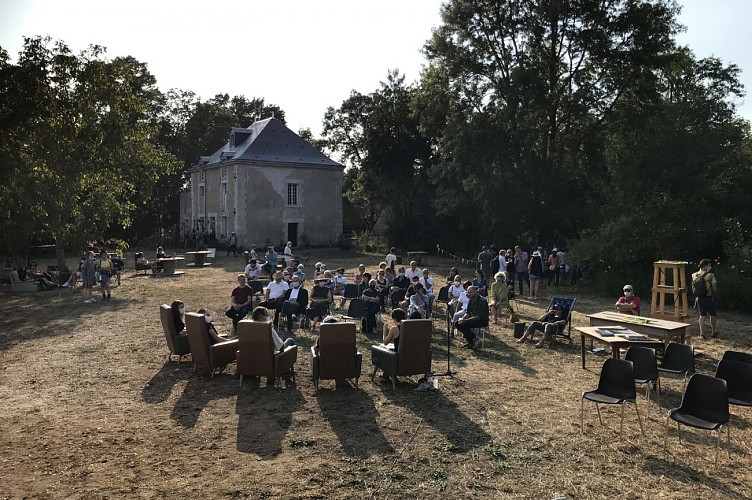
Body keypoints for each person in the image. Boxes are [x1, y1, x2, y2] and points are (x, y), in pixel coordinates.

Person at [693, 258, 718, 339]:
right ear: (705, 265)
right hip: (708, 297)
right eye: (709, 265)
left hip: (699, 298)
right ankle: (713, 331)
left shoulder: (694, 275)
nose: (710, 267)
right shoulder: (710, 275)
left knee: (702, 315)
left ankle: (702, 333)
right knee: (712, 314)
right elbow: (714, 288)